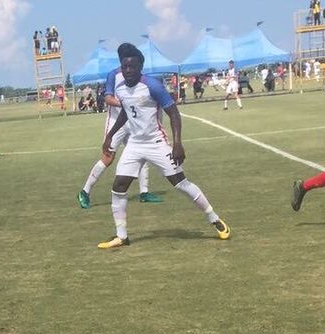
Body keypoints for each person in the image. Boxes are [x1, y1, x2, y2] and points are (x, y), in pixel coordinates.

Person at [97, 43, 230, 249]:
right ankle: (121, 236)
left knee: (180, 183)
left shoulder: (153, 86)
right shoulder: (120, 88)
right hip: (134, 144)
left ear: (140, 67)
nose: (128, 70)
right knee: (118, 187)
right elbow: (125, 113)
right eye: (124, 67)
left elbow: (173, 113)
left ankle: (215, 220)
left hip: (156, 143)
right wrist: (110, 135)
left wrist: (177, 143)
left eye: (132, 66)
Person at [78, 66, 163, 209]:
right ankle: (84, 192)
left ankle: (144, 193)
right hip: (115, 122)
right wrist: (126, 104)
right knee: (107, 158)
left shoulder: (138, 75)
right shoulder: (113, 75)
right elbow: (108, 99)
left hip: (132, 121)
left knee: (142, 154)